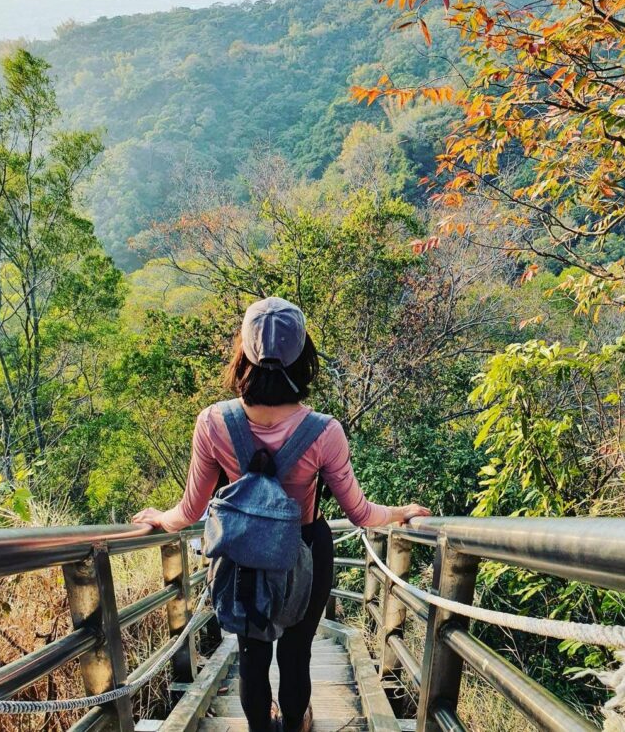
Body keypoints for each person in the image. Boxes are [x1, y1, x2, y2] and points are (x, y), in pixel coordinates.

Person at [133, 297, 430, 732]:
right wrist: (400, 512)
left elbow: (190, 510)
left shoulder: (214, 422)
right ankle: (296, 724)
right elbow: (360, 512)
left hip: (242, 558)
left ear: (243, 352)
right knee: (296, 654)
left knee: (252, 658)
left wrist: (161, 518)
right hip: (306, 551)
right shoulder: (324, 431)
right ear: (303, 356)